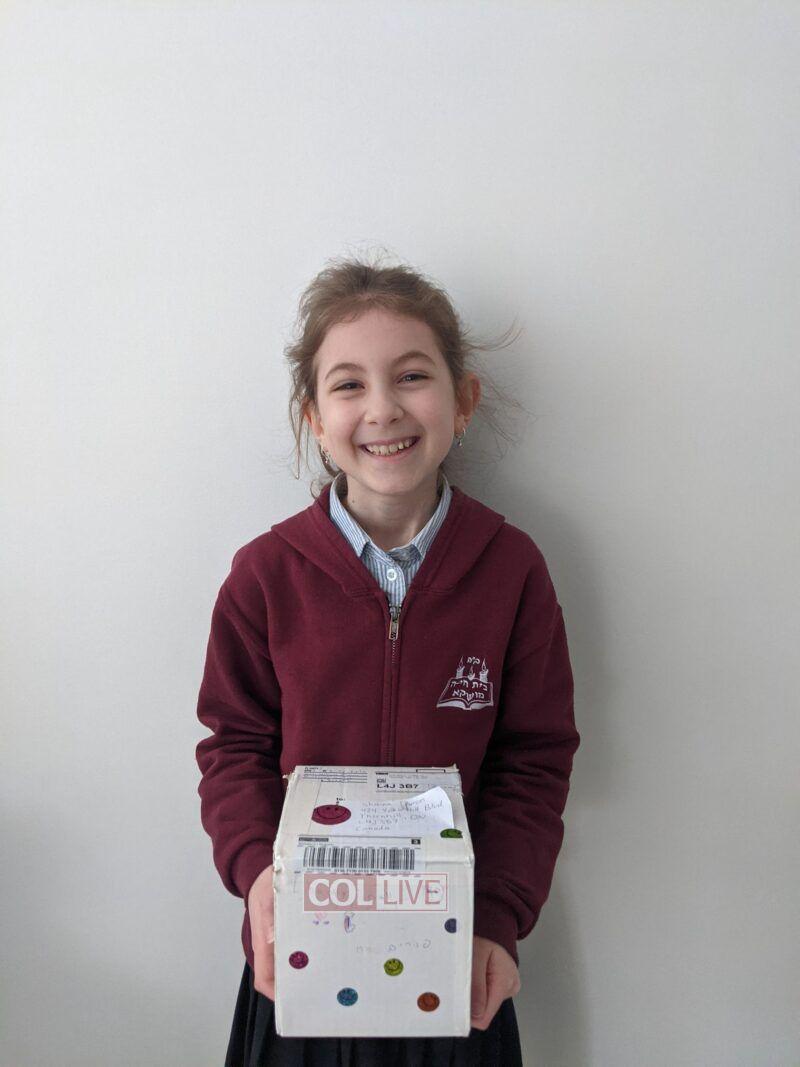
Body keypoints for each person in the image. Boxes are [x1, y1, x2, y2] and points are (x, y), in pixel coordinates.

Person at [195, 254, 580, 1066]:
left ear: (462, 400)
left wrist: (497, 915)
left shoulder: (512, 570)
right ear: (313, 416)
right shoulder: (264, 576)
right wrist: (260, 877)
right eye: (348, 384)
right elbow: (233, 748)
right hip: (302, 957)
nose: (382, 408)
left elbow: (533, 761)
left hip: (457, 962)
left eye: (411, 376)